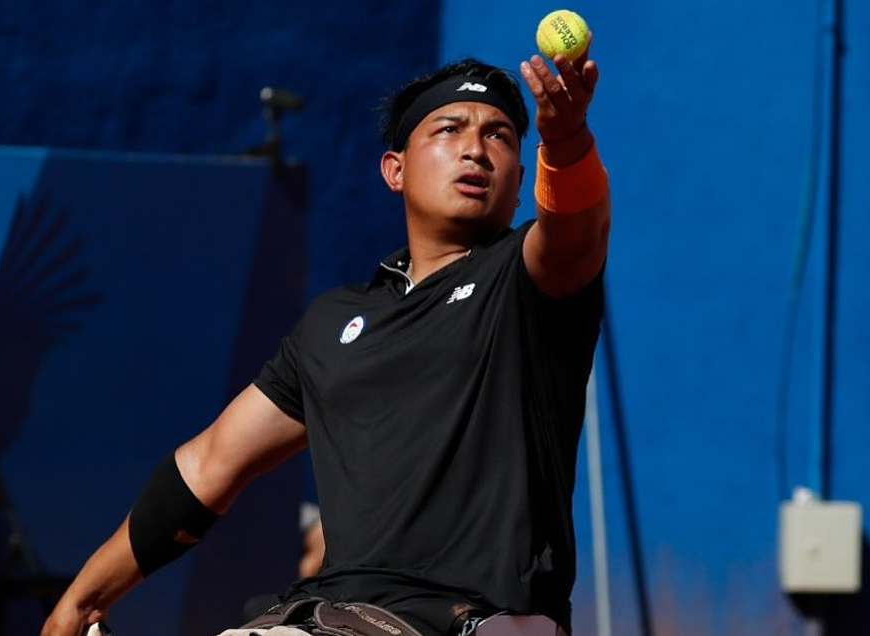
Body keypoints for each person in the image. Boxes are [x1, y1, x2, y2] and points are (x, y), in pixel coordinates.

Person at [43, 48, 608, 636]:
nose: (475, 149)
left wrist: (566, 143)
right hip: (340, 614)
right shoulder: (334, 324)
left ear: (520, 182)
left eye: (498, 137)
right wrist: (80, 602)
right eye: (449, 128)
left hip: (487, 621)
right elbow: (209, 465)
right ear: (395, 170)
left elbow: (574, 234)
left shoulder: (525, 282)